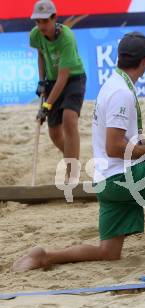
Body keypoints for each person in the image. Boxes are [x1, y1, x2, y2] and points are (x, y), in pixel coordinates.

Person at [12, 32, 145, 273]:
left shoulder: (112, 84)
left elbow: (118, 143)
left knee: (108, 252)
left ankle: (44, 256)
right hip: (123, 179)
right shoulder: (121, 92)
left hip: (106, 181)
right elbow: (115, 147)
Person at [30, 0, 86, 180]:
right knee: (54, 133)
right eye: (37, 21)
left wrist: (46, 105)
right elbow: (41, 54)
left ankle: (72, 174)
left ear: (54, 18)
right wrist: (41, 80)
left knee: (69, 120)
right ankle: (72, 156)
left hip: (73, 78)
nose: (41, 26)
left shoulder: (67, 38)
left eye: (45, 21)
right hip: (52, 81)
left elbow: (63, 77)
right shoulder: (35, 35)